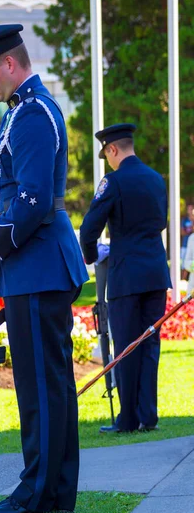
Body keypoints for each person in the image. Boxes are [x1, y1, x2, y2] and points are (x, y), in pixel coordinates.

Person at [0, 24, 88, 513]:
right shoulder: (21, 114)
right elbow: (4, 194)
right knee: (46, 383)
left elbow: (32, 202)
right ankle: (54, 491)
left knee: (41, 386)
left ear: (10, 63)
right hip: (32, 266)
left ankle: (36, 493)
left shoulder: (33, 114)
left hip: (39, 264)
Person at [80, 123, 172, 434]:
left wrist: (91, 256)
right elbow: (160, 221)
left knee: (126, 346)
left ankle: (128, 419)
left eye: (106, 154)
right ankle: (148, 415)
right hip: (156, 272)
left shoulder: (113, 182)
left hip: (125, 275)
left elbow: (89, 227)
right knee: (150, 343)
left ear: (112, 149)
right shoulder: (157, 179)